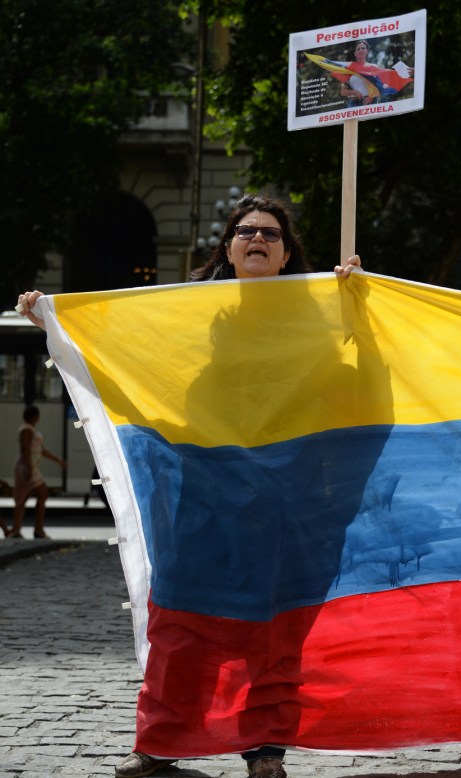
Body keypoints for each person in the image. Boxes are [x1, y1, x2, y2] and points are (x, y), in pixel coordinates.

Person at [17, 194, 361, 777]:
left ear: (285, 255)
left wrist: (358, 306)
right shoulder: (187, 315)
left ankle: (266, 751)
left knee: (274, 631)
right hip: (201, 501)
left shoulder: (316, 319)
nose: (258, 238)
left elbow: (356, 385)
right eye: (246, 230)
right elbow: (125, 351)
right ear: (227, 249)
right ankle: (161, 743)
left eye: (271, 234)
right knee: (181, 621)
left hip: (284, 508)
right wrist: (55, 321)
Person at [6, 405, 67, 539]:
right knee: (37, 494)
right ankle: (34, 530)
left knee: (25, 496)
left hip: (29, 466)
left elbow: (40, 450)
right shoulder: (27, 430)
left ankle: (20, 529)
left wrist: (58, 460)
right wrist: (28, 468)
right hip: (27, 466)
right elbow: (25, 449)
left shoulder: (30, 429)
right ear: (36, 417)